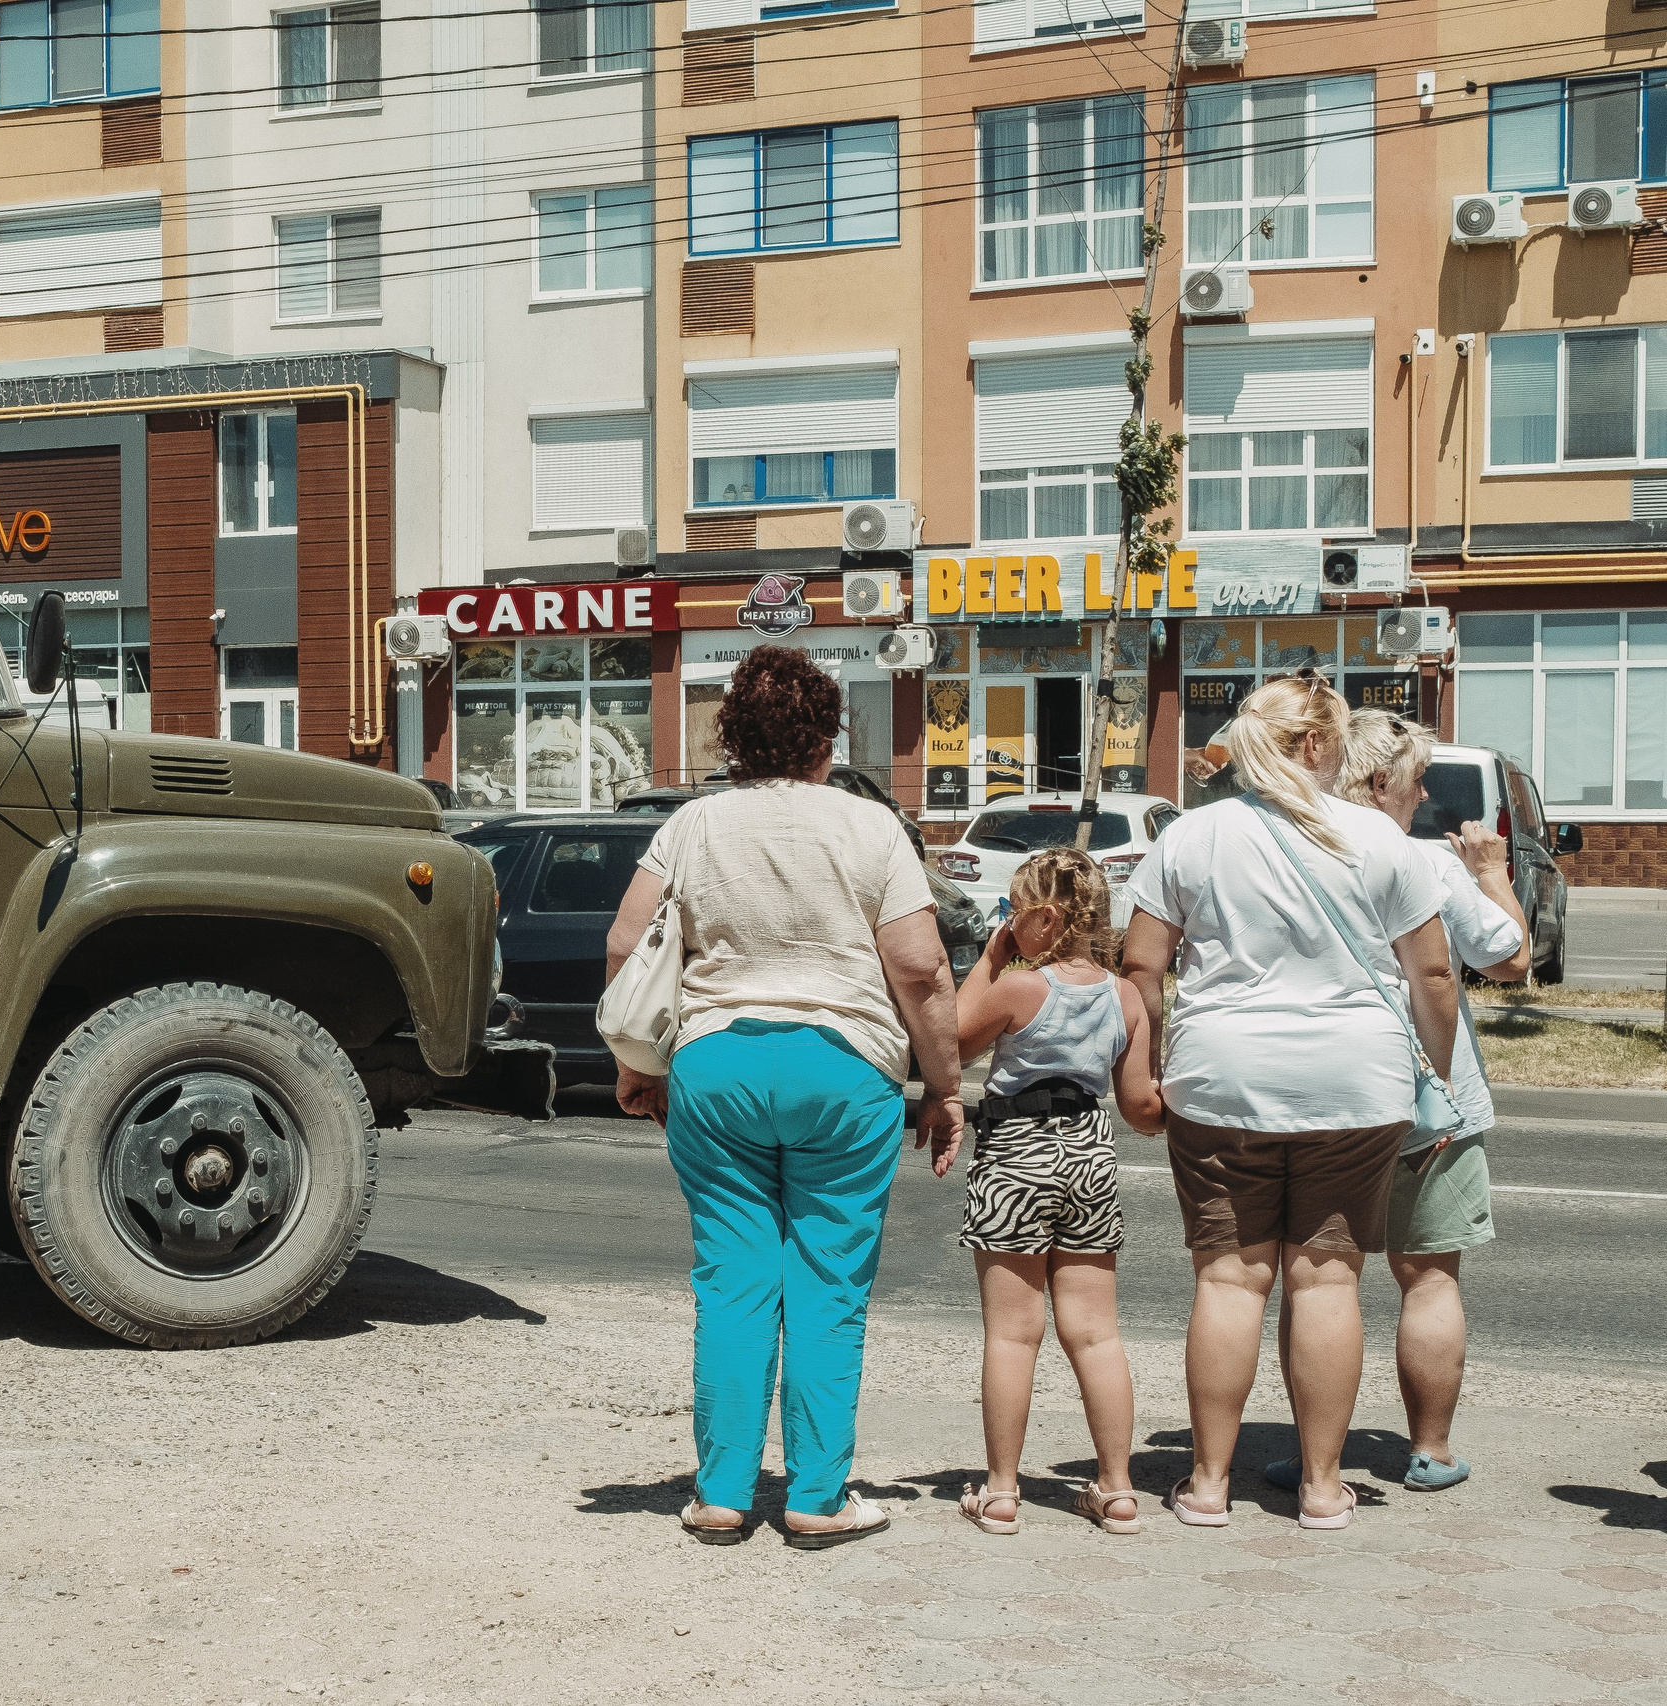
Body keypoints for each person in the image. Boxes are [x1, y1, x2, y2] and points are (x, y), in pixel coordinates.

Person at [604, 646, 965, 1549]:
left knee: (733, 1282)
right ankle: (816, 1495)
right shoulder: (869, 826)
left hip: (716, 1066)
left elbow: (624, 942)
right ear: (826, 734)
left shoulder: (691, 825)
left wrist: (637, 1065)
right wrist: (945, 1088)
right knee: (826, 1287)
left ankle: (722, 1493)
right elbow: (919, 967)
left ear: (732, 735)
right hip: (844, 1070)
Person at [1121, 674, 1460, 1530]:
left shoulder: (1191, 836)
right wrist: (1439, 1077)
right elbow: (1433, 975)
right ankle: (1320, 1486)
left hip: (1222, 1080)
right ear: (1314, 746)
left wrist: (1139, 1072)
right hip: (1356, 1085)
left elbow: (1142, 969)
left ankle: (1205, 1484)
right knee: (1328, 1280)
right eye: (1337, 737)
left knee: (1231, 1282)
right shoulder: (1380, 842)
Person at [1254, 709, 1527, 1496]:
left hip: (1320, 1095)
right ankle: (1431, 1450)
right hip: (1423, 1095)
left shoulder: (1285, 851)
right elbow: (1508, 960)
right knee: (1428, 1275)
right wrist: (1491, 870)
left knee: (1312, 1278)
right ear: (1381, 782)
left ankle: (1316, 1457)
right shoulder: (1421, 863)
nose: (1425, 792)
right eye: (1415, 779)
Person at [952, 848, 1165, 1536]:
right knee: (1096, 1334)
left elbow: (950, 1040)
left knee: (1014, 1335)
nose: (1006, 924)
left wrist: (990, 960)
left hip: (1017, 1154)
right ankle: (1118, 1488)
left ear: (1042, 919)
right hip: (1088, 1154)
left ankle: (1004, 1492)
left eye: (1013, 913)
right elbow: (1138, 1105)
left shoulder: (1018, 988)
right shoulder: (1126, 996)